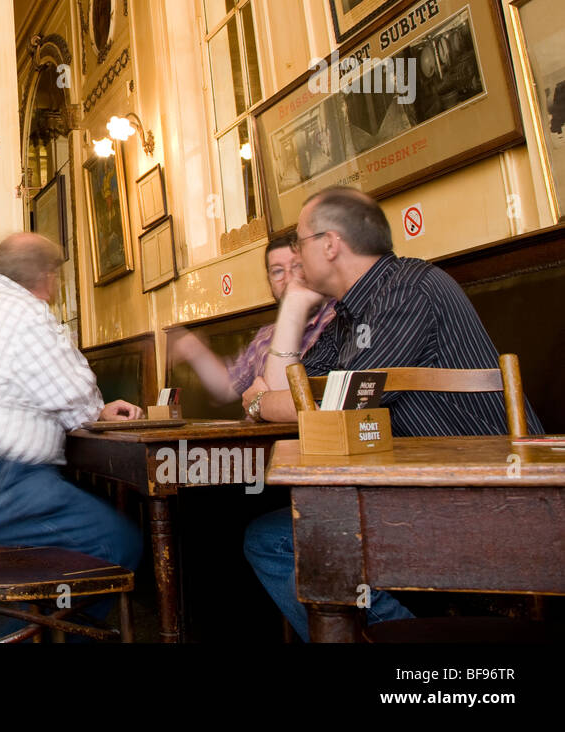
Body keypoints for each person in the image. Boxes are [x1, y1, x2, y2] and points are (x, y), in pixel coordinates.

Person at [243, 187, 544, 641]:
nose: (297, 258)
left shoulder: (408, 288)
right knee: (269, 538)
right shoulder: (349, 312)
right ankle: (398, 632)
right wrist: (293, 310)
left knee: (297, 556)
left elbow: (335, 402)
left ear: (330, 244)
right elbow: (298, 393)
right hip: (417, 488)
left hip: (487, 494)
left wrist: (258, 403)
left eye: (301, 243)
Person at [0, 232, 144, 590]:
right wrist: (99, 410)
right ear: (46, 277)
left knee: (53, 554)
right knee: (117, 544)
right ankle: (24, 631)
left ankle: (25, 623)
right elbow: (74, 397)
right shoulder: (27, 314)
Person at [171, 232, 336, 418]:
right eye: (278, 271)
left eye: (297, 266)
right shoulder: (266, 336)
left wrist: (259, 398)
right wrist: (196, 351)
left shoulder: (336, 320)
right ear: (270, 281)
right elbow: (227, 388)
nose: (289, 278)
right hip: (257, 441)